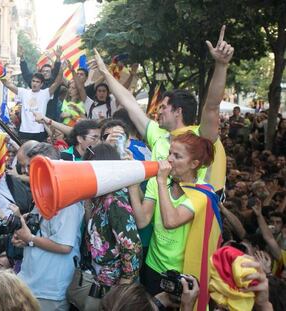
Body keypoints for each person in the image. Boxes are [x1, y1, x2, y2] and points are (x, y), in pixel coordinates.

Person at [89, 25, 234, 195]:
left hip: (193, 220)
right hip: (158, 220)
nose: (158, 111)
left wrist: (221, 65)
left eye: (164, 107)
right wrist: (105, 73)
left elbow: (211, 106)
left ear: (178, 111)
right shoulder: (157, 133)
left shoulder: (201, 137)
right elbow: (129, 101)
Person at [129, 132, 220, 310]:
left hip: (180, 274)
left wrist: (162, 182)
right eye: (170, 153)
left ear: (194, 164)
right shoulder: (158, 182)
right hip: (152, 265)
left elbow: (171, 221)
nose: (169, 159)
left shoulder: (203, 192)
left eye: (177, 156)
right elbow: (142, 221)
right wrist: (133, 183)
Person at [12, 143, 84, 311]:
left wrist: (30, 238)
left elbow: (64, 246)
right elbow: (40, 234)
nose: (26, 172)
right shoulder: (43, 194)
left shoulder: (68, 202)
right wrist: (25, 239)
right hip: (31, 282)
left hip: (49, 290)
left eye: (32, 167)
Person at [79, 143, 141, 311]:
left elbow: (132, 248)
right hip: (100, 280)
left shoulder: (114, 201)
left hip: (113, 288)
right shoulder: (99, 197)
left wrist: (121, 289)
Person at [1, 66, 64, 142]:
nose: (34, 83)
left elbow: (57, 83)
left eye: (37, 82)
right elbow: (8, 84)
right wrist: (0, 75)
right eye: (33, 81)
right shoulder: (23, 92)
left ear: (41, 84)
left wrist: (61, 69)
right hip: (24, 132)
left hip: (39, 132)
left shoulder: (46, 93)